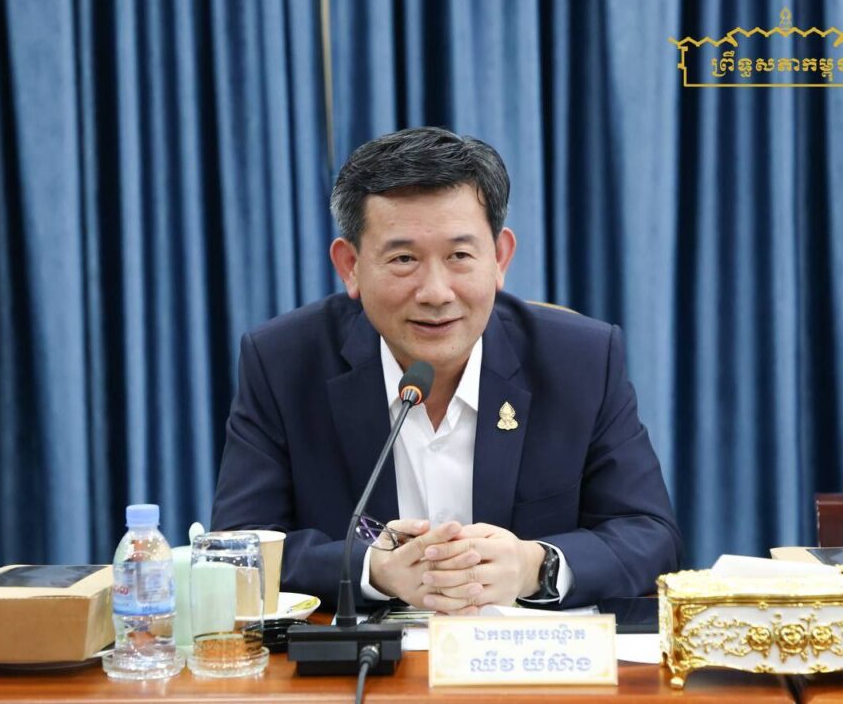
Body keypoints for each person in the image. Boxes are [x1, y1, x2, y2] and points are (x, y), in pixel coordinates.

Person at [212, 127, 682, 614]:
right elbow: (237, 548)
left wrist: (535, 566)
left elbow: (650, 535)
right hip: (369, 658)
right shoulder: (284, 363)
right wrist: (372, 570)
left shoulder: (580, 360)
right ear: (350, 265)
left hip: (524, 652)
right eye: (403, 259)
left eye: (459, 256)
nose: (435, 293)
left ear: (499, 258)